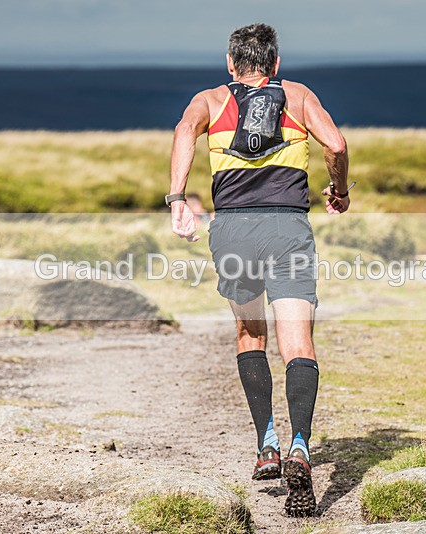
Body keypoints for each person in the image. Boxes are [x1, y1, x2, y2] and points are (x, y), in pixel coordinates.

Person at [166, 23, 350, 517]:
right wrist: (340, 190)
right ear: (276, 63)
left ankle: (267, 444)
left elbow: (184, 131)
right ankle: (301, 449)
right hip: (287, 229)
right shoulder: (297, 95)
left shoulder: (208, 100)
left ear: (231, 64)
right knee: (298, 344)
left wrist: (177, 198)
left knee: (251, 335)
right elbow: (335, 145)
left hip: (232, 232)